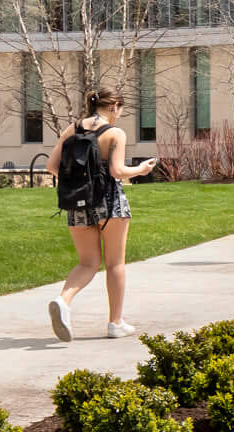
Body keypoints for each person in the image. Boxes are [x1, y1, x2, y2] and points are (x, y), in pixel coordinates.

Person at [44, 87, 156, 342]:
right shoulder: (115, 133)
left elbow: (51, 166)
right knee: (114, 263)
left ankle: (63, 301)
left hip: (77, 203)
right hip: (110, 203)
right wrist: (140, 169)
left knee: (87, 263)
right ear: (114, 106)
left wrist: (80, 184)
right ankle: (115, 323)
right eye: (120, 110)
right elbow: (117, 171)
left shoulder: (71, 129)